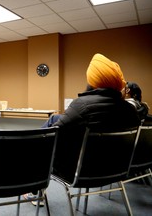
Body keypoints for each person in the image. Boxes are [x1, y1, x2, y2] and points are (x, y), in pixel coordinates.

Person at [25, 53, 141, 205]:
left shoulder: (82, 105)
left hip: (81, 171)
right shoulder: (130, 111)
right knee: (55, 123)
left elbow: (51, 135)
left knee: (42, 142)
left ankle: (33, 191)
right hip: (115, 169)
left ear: (93, 80)